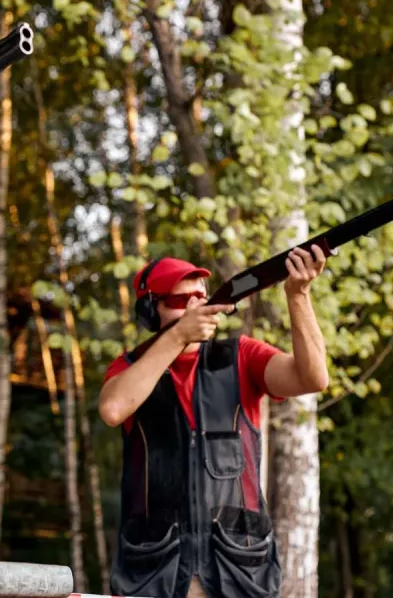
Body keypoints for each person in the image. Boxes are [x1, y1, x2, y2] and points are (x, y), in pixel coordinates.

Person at [99, 250, 330, 598]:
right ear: (151, 310)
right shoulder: (130, 367)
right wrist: (177, 338)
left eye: (200, 295)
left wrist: (298, 296)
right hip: (155, 573)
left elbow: (312, 378)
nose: (195, 305)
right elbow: (114, 408)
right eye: (181, 299)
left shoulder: (242, 355)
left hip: (238, 569)